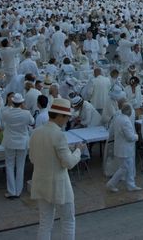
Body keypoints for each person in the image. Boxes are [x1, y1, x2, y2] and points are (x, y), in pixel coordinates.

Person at [29, 98, 85, 240]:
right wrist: (78, 150)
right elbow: (69, 163)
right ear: (60, 116)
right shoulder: (59, 135)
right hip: (58, 185)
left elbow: (33, 158)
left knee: (45, 223)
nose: (67, 120)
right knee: (68, 221)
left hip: (41, 182)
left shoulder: (36, 132)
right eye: (67, 117)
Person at [1, 93, 34, 198]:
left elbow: (3, 124)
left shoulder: (6, 113)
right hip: (22, 142)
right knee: (20, 166)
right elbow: (32, 122)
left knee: (9, 166)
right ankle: (18, 191)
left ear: (13, 102)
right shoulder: (26, 113)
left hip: (10, 141)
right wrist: (24, 108)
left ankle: (11, 191)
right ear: (21, 103)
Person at [106, 104, 141, 192]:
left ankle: (131, 185)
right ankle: (111, 183)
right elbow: (130, 137)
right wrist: (137, 136)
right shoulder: (126, 121)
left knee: (129, 167)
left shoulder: (118, 118)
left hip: (120, 148)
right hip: (125, 149)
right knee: (124, 168)